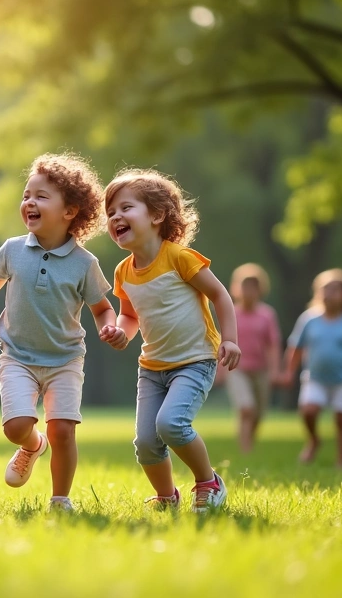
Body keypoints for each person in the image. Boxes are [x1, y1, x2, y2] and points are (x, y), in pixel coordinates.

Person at [0, 153, 114, 513]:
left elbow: (102, 308)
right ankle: (32, 445)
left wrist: (109, 326)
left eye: (41, 196)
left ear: (70, 211)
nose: (29, 202)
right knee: (16, 427)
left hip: (65, 360)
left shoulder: (85, 264)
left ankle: (60, 499)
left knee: (63, 430)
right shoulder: (12, 250)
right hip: (17, 357)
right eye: (26, 195)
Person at [97, 168, 240, 512]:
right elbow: (130, 315)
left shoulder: (179, 258)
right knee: (146, 441)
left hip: (194, 361)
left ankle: (208, 483)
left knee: (171, 425)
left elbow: (220, 295)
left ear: (157, 215)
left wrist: (230, 339)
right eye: (111, 212)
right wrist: (121, 332)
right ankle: (166, 497)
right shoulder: (123, 271)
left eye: (126, 208)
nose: (115, 216)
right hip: (152, 368)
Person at [279, 269, 342, 468]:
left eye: (335, 289)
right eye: (325, 289)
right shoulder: (309, 319)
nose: (329, 293)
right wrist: (289, 372)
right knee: (309, 411)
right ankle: (314, 440)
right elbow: (296, 348)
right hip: (315, 378)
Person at [224, 263, 281, 453]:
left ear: (260, 289)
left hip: (261, 370)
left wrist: (274, 370)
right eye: (244, 286)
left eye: (253, 287)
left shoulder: (267, 315)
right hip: (236, 370)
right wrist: (220, 369)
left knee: (257, 413)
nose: (248, 291)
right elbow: (221, 341)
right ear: (236, 288)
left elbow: (273, 344)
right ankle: (245, 450)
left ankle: (249, 439)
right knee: (246, 408)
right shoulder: (230, 312)